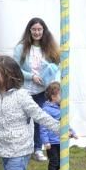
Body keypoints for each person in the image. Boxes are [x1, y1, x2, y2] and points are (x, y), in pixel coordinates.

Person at [14, 18, 60, 162]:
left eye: (39, 29)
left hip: (42, 90)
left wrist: (49, 77)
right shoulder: (21, 48)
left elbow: (55, 65)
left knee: (40, 119)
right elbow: (15, 69)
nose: (37, 32)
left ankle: (37, 149)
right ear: (29, 31)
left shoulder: (49, 47)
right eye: (34, 29)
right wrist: (31, 76)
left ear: (43, 31)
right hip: (25, 90)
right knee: (24, 120)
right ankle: (22, 148)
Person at [39, 81, 77, 170]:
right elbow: (43, 126)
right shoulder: (46, 109)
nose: (63, 97)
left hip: (62, 140)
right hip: (52, 142)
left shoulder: (61, 108)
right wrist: (46, 141)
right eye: (60, 95)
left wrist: (72, 132)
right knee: (54, 161)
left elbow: (65, 123)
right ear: (53, 96)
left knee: (61, 160)